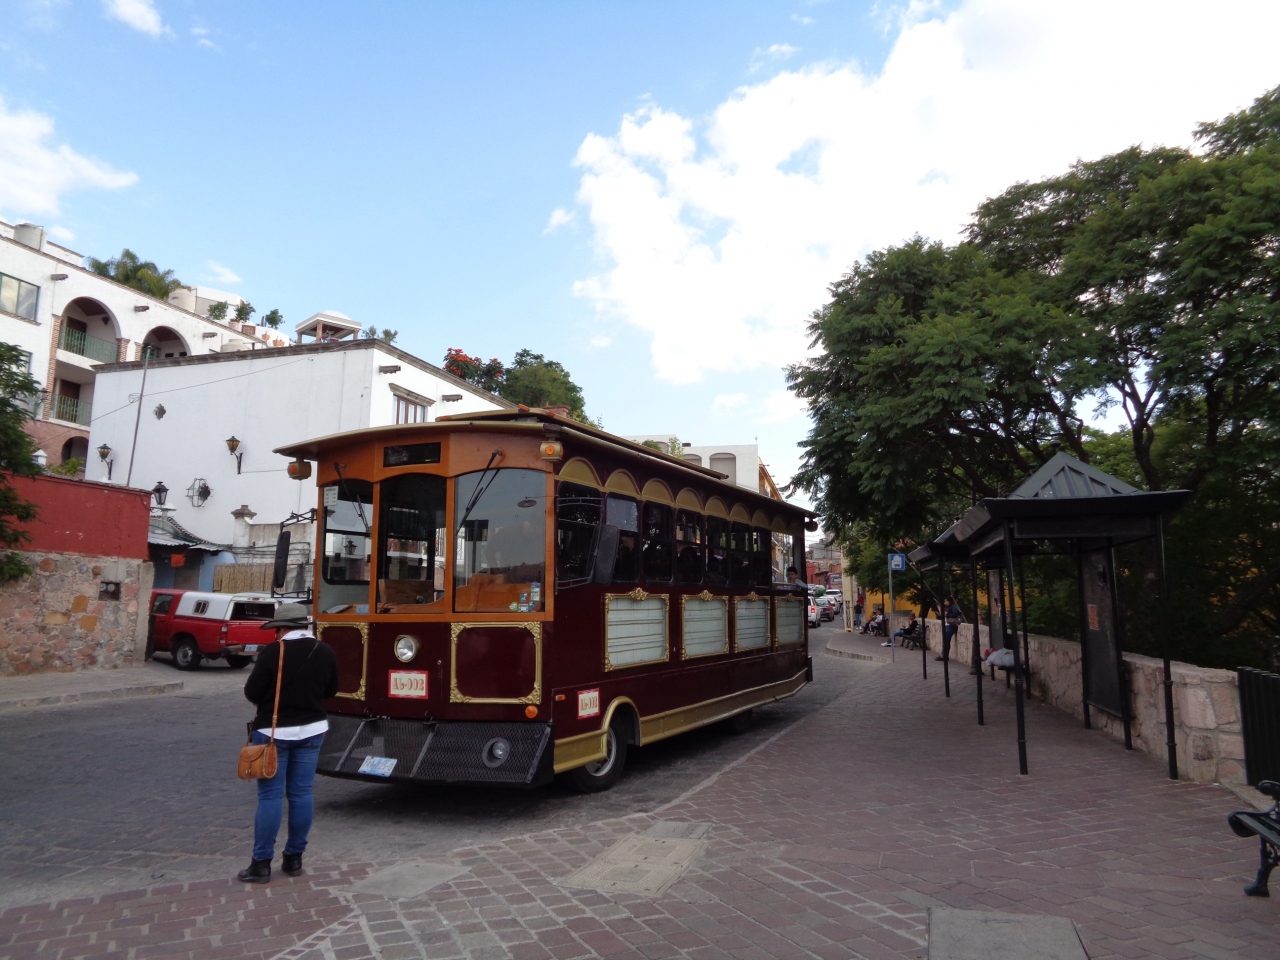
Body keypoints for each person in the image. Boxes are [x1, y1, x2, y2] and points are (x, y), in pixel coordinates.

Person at [238, 603, 339, 884]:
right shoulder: (324, 650)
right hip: (312, 729)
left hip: (274, 733)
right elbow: (331, 689)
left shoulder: (273, 651)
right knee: (302, 793)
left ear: (282, 628)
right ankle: (294, 859)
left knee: (270, 797)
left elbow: (252, 691)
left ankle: (261, 863)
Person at [939, 596, 963, 663]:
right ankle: (944, 655)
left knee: (946, 640)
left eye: (946, 601)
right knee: (946, 641)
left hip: (951, 626)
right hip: (947, 625)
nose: (945, 602)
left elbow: (955, 613)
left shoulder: (953, 607)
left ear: (950, 601)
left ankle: (944, 656)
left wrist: (947, 615)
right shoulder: (948, 607)